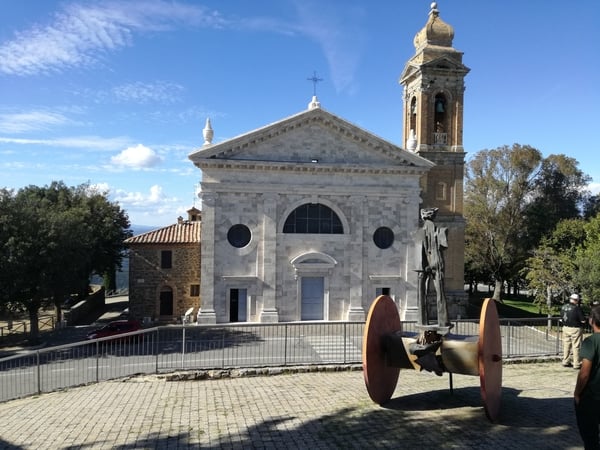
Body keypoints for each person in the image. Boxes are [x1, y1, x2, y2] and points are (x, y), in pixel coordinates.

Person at [574, 305, 600, 449]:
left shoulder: (591, 342)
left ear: (592, 320)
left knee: (591, 439)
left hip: (592, 397)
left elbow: (584, 373)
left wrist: (577, 393)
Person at [562, 293, 586, 369]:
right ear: (576, 300)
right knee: (576, 346)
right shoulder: (576, 308)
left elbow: (561, 317)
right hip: (575, 329)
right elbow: (583, 320)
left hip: (565, 328)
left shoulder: (564, 307)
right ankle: (576, 363)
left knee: (566, 345)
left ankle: (565, 361)